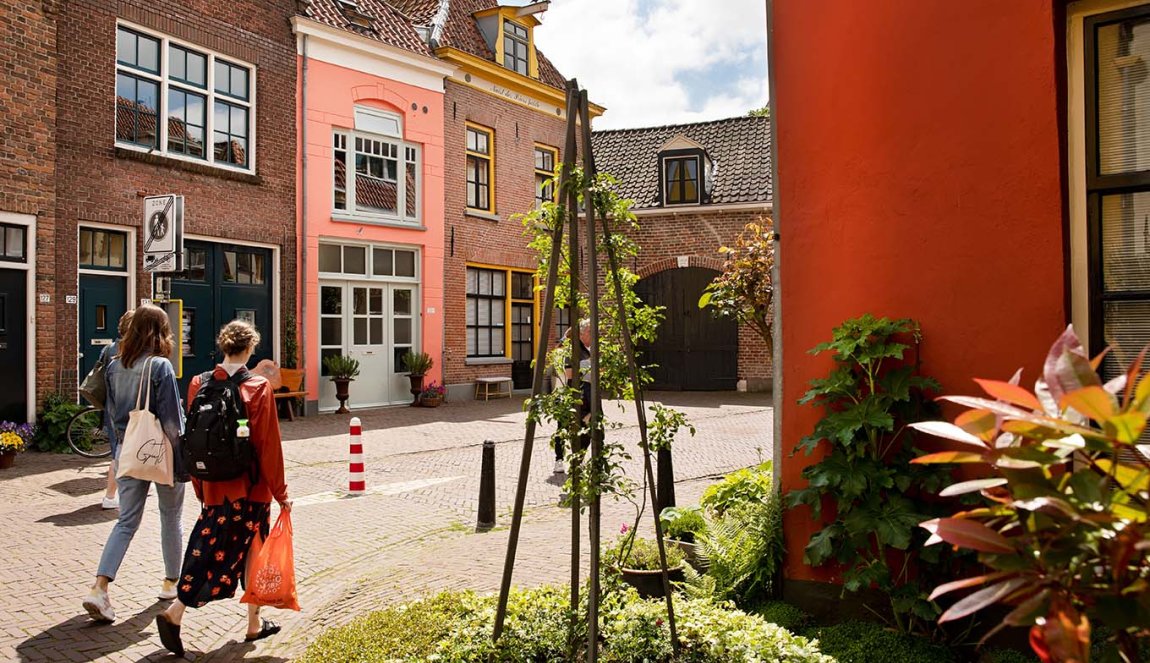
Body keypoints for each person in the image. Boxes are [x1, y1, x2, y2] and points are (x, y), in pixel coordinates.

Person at [156, 320, 290, 657]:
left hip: (215, 488)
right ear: (250, 348)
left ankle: (252, 624)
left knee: (207, 546)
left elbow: (193, 442)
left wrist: (201, 486)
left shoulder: (199, 384)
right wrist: (280, 492)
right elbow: (269, 446)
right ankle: (177, 612)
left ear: (223, 346)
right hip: (252, 489)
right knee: (251, 551)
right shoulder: (258, 387)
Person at [82, 304, 186, 622]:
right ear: (160, 332)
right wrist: (183, 462)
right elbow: (171, 422)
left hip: (128, 451)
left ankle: (99, 589)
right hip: (161, 454)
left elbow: (111, 415)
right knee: (171, 518)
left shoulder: (115, 364)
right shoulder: (160, 366)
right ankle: (171, 583)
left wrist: (120, 449)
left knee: (126, 522)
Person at [100, 310, 135, 510]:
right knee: (122, 454)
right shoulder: (134, 353)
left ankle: (111, 496)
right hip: (131, 410)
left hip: (112, 407)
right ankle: (111, 495)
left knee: (118, 452)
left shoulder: (108, 349)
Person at [554, 319, 593, 475]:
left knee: (586, 428)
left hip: (585, 395)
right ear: (581, 334)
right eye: (591, 332)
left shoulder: (586, 350)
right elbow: (569, 374)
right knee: (562, 427)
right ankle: (559, 459)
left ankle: (579, 459)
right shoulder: (570, 350)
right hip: (568, 394)